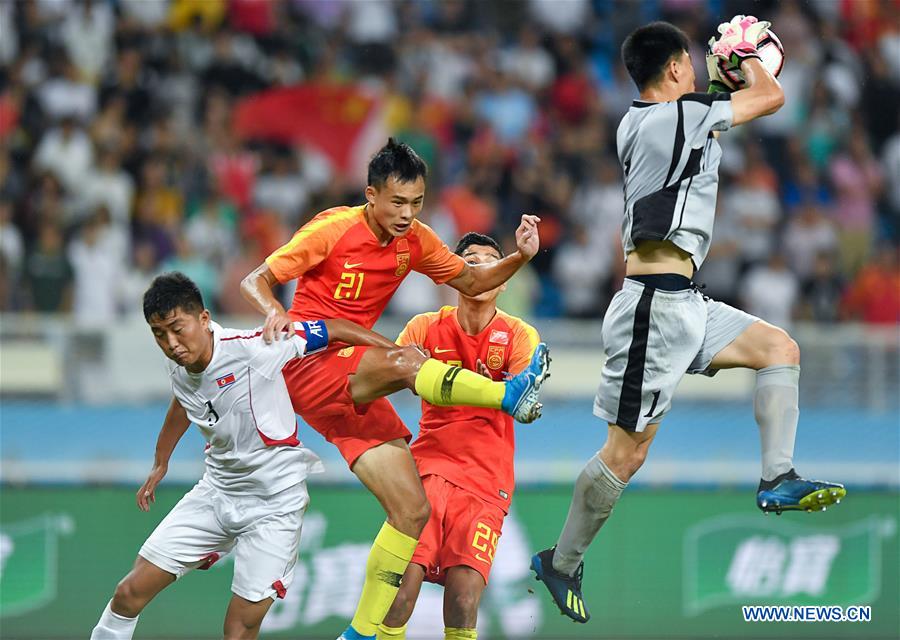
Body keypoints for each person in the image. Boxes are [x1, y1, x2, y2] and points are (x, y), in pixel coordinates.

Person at [530, 18, 845, 624]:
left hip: (686, 301)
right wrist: (748, 58)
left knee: (779, 348)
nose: (700, 72)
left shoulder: (654, 120)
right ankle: (561, 562)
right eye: (693, 63)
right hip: (652, 307)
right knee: (626, 455)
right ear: (675, 67)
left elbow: (717, 113)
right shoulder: (674, 117)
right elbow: (771, 98)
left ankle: (777, 477)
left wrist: (728, 78)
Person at [239, 138, 550, 640]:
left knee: (410, 511)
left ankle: (360, 635)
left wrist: (521, 257)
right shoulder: (332, 228)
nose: (407, 214)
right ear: (371, 194)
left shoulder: (418, 241)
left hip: (351, 378)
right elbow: (256, 279)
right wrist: (275, 311)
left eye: (417, 202)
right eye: (397, 202)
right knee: (410, 361)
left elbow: (472, 281)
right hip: (309, 364)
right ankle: (507, 396)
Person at [91, 272, 403, 640]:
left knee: (238, 629)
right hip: (216, 493)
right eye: (159, 334)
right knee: (128, 594)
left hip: (274, 505)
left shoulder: (256, 347)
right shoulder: (178, 365)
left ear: (204, 319)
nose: (171, 343)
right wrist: (161, 461)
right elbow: (183, 399)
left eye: (177, 329)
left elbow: (334, 328)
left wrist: (398, 354)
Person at [376, 233, 541, 640]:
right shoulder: (423, 327)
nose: (481, 266)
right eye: (470, 260)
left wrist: (498, 391)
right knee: (398, 595)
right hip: (427, 471)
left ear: (503, 281)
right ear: (454, 274)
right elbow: (386, 374)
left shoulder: (520, 334)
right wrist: (418, 374)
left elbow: (525, 404)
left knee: (464, 602)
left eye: (491, 260)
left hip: (486, 482)